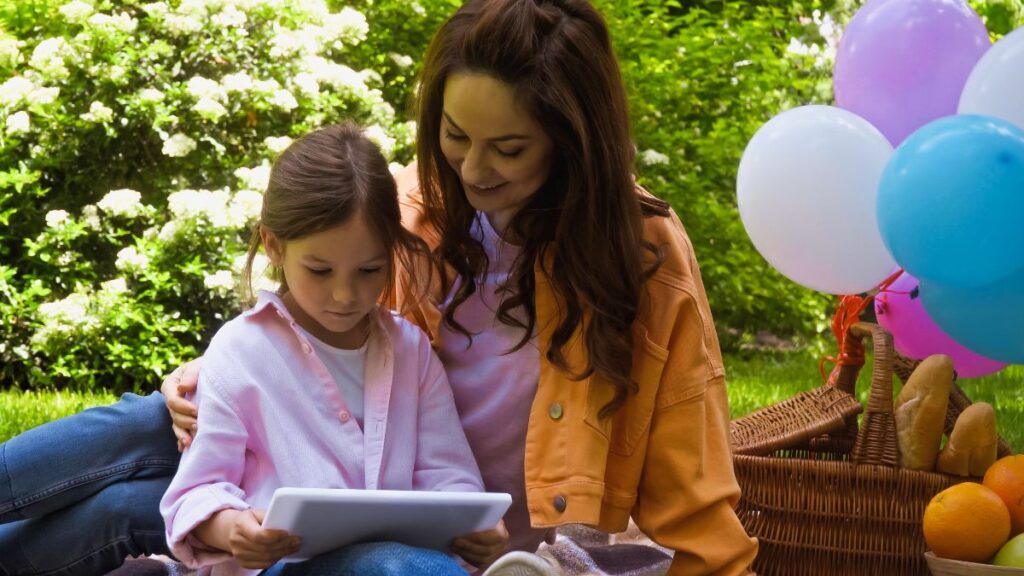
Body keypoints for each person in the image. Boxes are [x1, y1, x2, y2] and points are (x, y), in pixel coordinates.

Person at [0, 1, 758, 575]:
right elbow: (309, 324)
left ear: (573, 140)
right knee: (141, 424)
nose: (472, 169)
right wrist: (213, 376)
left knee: (130, 509)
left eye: (509, 148)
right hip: (320, 468)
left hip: (454, 526)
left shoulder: (641, 254)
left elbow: (693, 490)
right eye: (455, 135)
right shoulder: (414, 203)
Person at [157, 122, 488, 575]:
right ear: (274, 245)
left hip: (397, 562)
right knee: (395, 566)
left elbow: (448, 475)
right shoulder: (239, 351)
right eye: (319, 270)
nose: (345, 296)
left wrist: (475, 525)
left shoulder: (411, 350)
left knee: (401, 564)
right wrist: (232, 527)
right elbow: (197, 489)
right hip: (286, 569)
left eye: (370, 270)